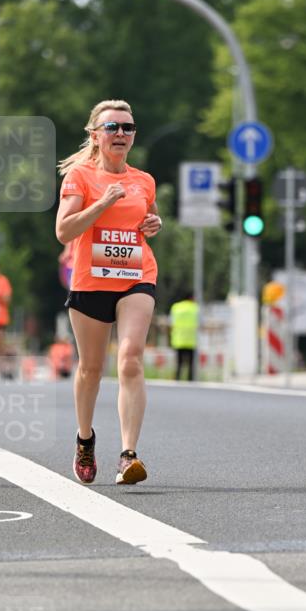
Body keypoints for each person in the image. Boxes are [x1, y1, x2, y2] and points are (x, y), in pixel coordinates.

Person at [56, 99, 162, 486]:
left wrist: (154, 223)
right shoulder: (80, 177)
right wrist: (102, 202)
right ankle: (85, 440)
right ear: (95, 135)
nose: (121, 134)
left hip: (136, 276)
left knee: (131, 357)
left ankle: (128, 454)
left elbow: (144, 219)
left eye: (128, 128)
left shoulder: (144, 180)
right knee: (90, 369)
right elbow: (64, 231)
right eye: (113, 127)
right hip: (90, 281)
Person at [170, 293, 199, 381]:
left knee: (179, 363)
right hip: (191, 340)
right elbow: (201, 322)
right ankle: (191, 381)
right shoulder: (195, 308)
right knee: (191, 364)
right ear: (191, 298)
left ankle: (177, 379)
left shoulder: (176, 307)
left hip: (179, 340)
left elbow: (171, 322)